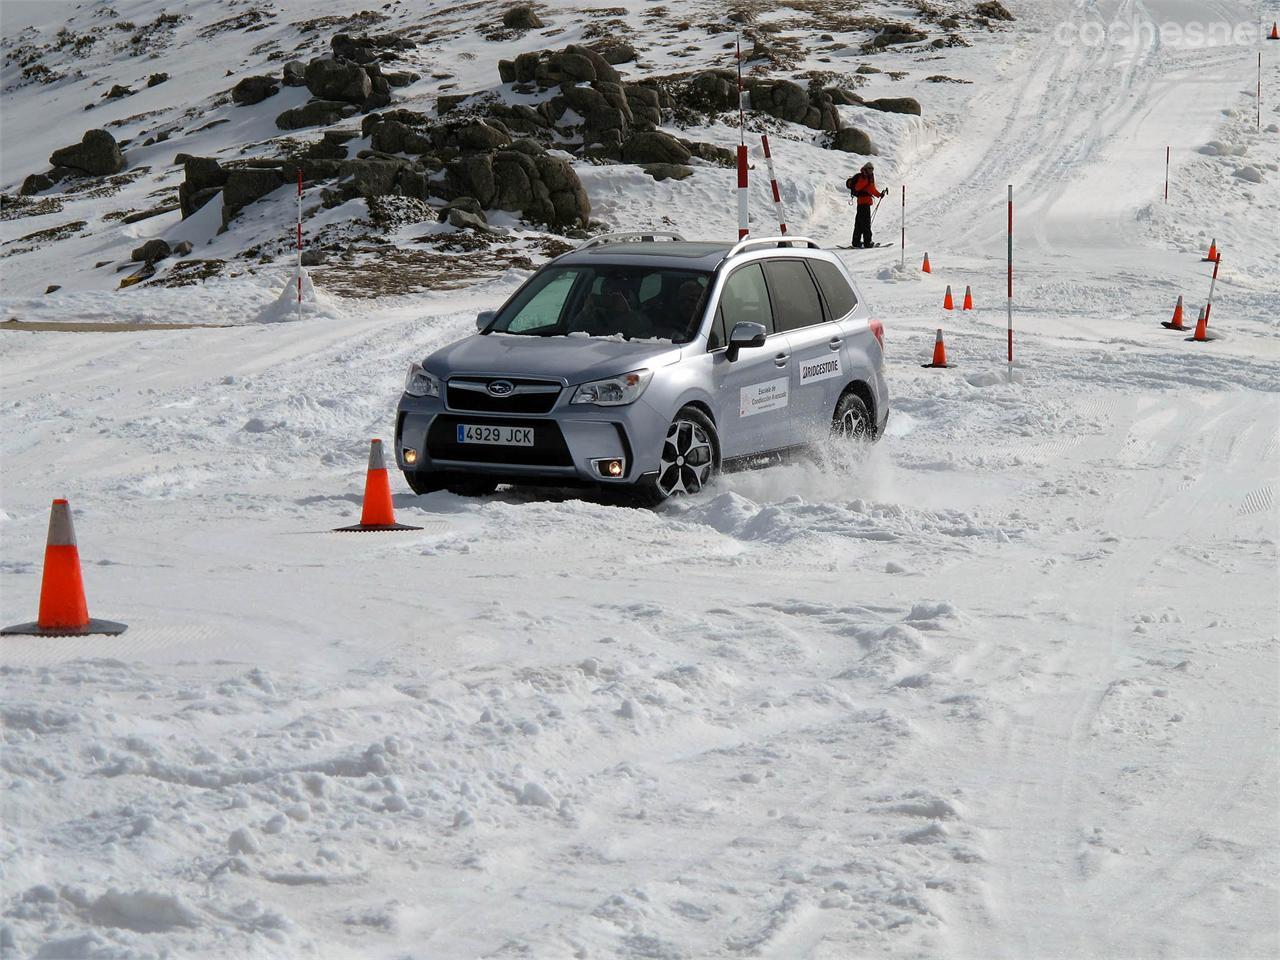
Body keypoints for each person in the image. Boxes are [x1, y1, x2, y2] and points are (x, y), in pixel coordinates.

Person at [849, 162, 883, 248]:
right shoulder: (865, 177)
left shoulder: (865, 177)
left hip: (861, 202)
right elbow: (869, 188)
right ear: (866, 168)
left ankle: (856, 242)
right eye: (870, 168)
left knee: (859, 223)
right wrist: (879, 195)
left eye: (872, 169)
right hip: (864, 203)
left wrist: (878, 194)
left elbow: (870, 188)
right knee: (866, 223)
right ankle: (868, 242)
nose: (871, 170)